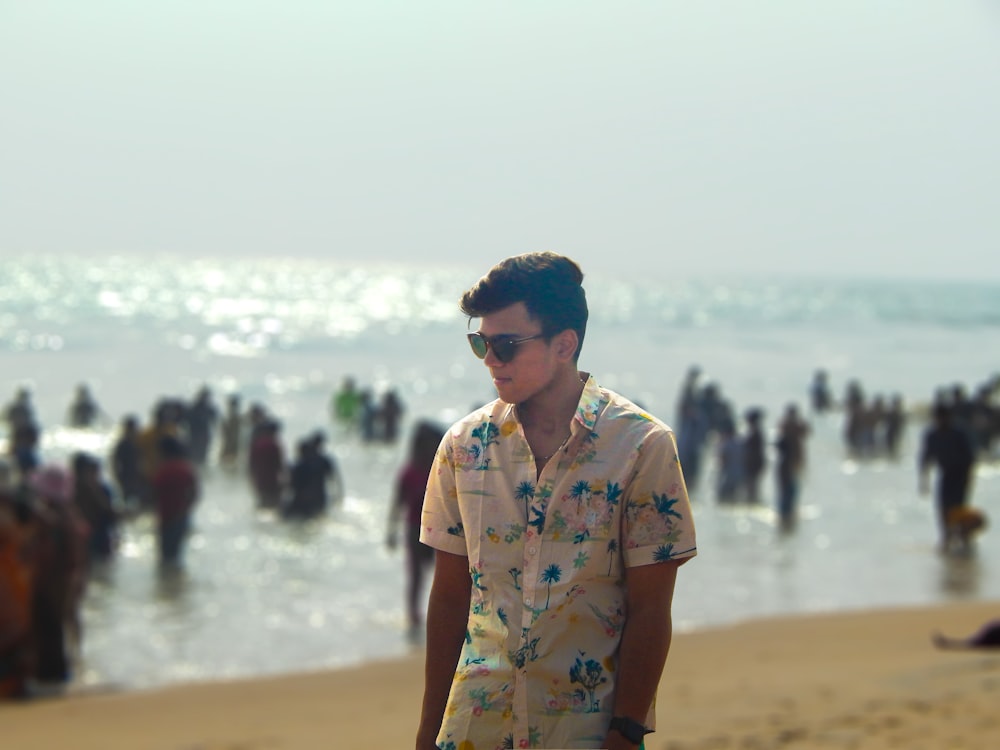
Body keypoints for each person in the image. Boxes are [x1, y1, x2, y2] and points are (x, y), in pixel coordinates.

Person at [417, 252, 697, 750]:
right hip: (472, 728)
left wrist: (627, 731)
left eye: (505, 345)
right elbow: (450, 597)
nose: (489, 360)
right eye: (480, 343)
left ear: (564, 344)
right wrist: (428, 731)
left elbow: (651, 607)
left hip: (584, 730)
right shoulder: (463, 447)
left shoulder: (642, 448)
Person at [386, 420, 444, 636]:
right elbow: (397, 503)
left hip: (439, 529)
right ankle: (413, 618)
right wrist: (390, 531)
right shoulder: (409, 472)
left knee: (443, 575)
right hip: (414, 530)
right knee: (416, 576)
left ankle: (440, 616)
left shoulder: (440, 469)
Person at [919, 403, 976, 554]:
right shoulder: (932, 434)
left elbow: (970, 457)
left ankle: (965, 540)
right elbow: (925, 458)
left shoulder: (958, 433)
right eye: (938, 418)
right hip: (945, 474)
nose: (941, 421)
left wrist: (969, 478)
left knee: (958, 508)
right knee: (942, 508)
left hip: (960, 474)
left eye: (944, 417)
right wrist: (923, 481)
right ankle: (946, 538)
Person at [152, 436, 200, 568]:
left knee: (165, 556)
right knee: (176, 555)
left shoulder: (163, 470)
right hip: (181, 516)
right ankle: (175, 582)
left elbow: (154, 493)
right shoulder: (186, 469)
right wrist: (185, 509)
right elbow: (195, 494)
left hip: (166, 516)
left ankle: (167, 584)